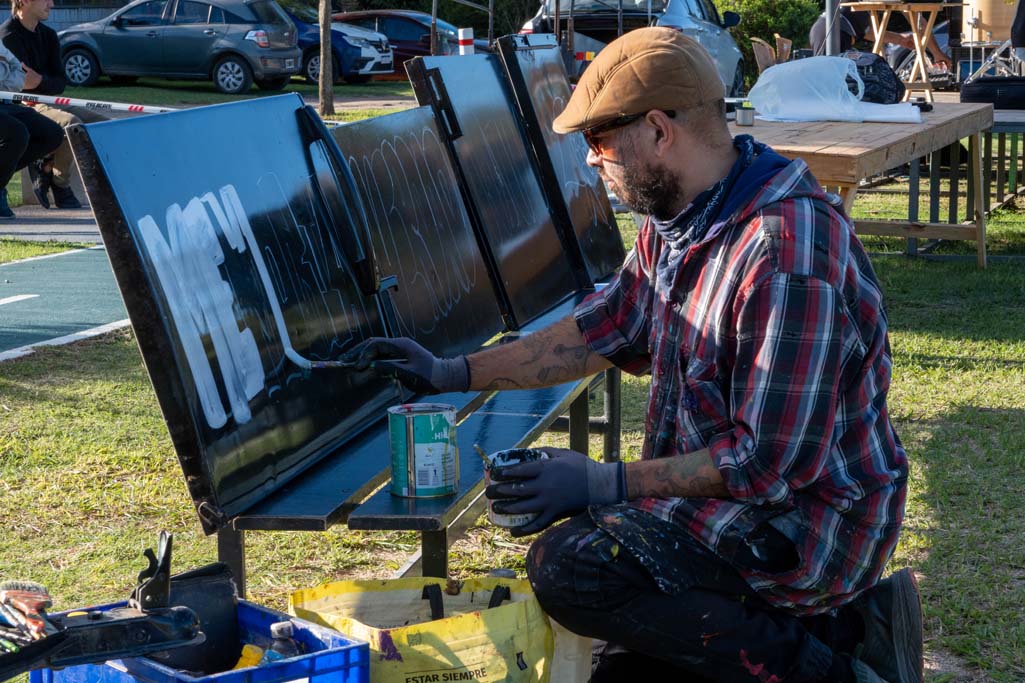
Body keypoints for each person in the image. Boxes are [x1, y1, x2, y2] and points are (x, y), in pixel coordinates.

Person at [343, 28, 920, 683]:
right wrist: (452, 371)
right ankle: (856, 631)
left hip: (805, 531)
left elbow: (764, 467)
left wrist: (600, 483)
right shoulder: (683, 220)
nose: (591, 161)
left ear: (657, 130)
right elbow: (603, 328)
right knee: (621, 666)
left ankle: (836, 665)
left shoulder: (784, 254)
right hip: (736, 506)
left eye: (598, 140)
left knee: (574, 566)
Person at [1, 0, 108, 210]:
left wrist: (39, 81)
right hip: (25, 103)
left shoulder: (49, 35)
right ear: (24, 1)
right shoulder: (7, 35)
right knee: (71, 123)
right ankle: (59, 183)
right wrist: (37, 83)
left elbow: (60, 83)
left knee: (107, 125)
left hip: (52, 100)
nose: (52, 4)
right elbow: (18, 85)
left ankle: (107, 188)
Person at [0, 40, 62, 218]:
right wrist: (5, 68)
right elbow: (9, 71)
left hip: (4, 102)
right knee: (17, 133)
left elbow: (20, 75)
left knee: (51, 134)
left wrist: (5, 71)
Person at [810, 2, 952, 69]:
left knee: (832, 82)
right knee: (832, 83)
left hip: (824, 28)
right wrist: (937, 53)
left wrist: (900, 39)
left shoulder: (861, 10)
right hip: (832, 32)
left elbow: (866, 32)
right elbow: (917, 20)